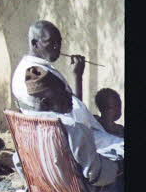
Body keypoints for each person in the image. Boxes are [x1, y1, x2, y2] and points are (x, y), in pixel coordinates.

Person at [21, 66, 123, 192]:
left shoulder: (26, 128)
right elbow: (94, 174)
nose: (71, 98)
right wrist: (116, 166)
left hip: (51, 189)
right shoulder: (74, 129)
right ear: (47, 102)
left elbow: (18, 162)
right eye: (64, 94)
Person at [10, 20, 120, 156]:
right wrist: (78, 77)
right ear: (35, 43)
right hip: (72, 143)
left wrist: (77, 75)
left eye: (59, 42)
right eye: (51, 42)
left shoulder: (24, 69)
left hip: (53, 137)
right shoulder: (38, 75)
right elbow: (74, 113)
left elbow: (70, 107)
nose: (57, 47)